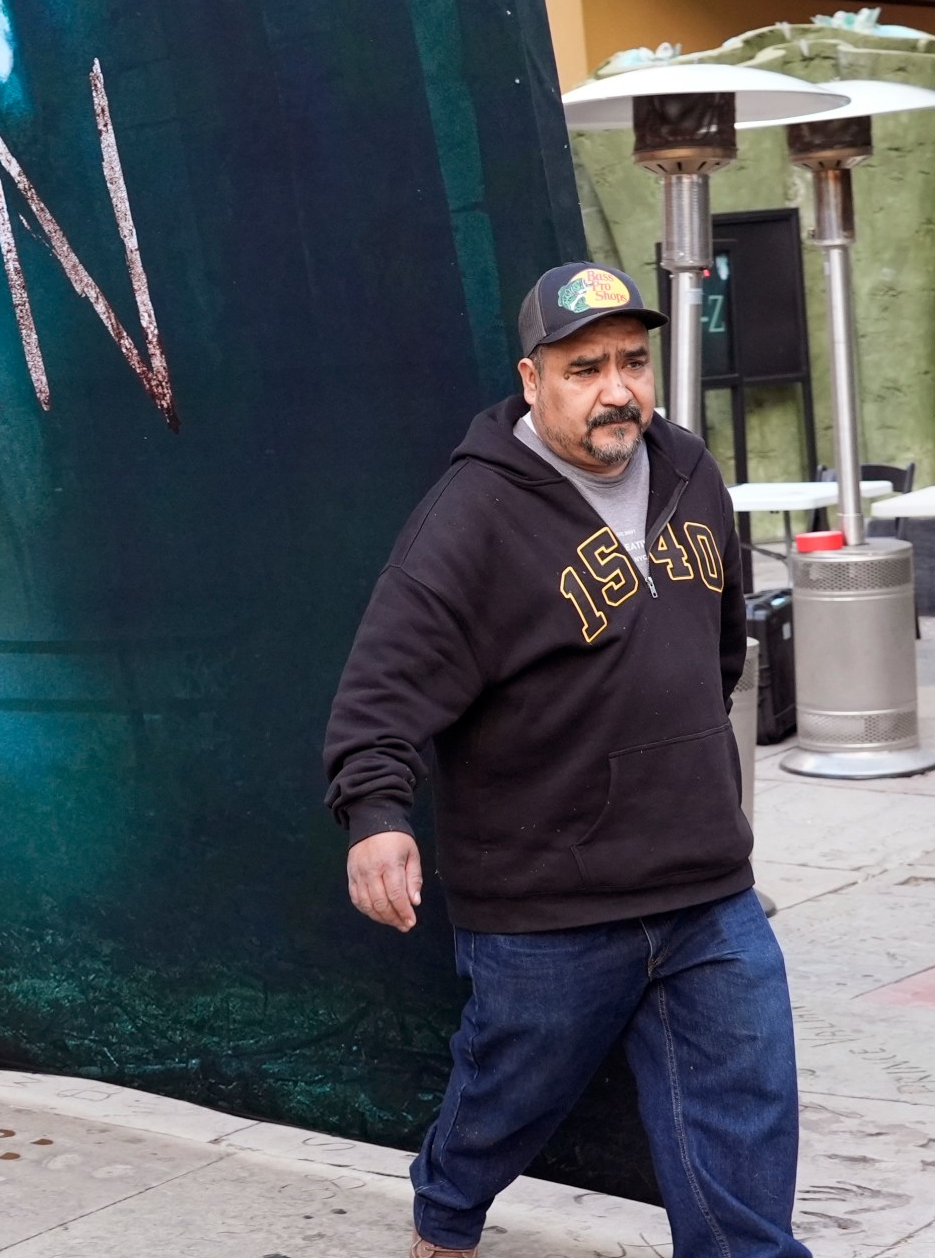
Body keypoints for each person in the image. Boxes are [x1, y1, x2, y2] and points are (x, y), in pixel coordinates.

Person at [322, 263, 803, 1258]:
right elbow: (381, 689)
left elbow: (716, 649)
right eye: (584, 367)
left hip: (705, 885)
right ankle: (444, 1222)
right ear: (531, 380)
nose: (617, 387)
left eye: (632, 360)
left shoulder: (689, 474)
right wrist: (375, 818)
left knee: (744, 1132)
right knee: (505, 1096)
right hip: (549, 908)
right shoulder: (471, 517)